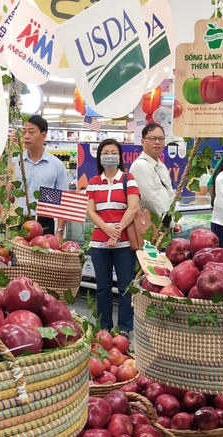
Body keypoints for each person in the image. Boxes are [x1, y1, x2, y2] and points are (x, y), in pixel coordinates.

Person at [86, 139, 140, 336]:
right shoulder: (93, 183)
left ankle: (125, 327)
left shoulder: (128, 178)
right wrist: (107, 229)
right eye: (105, 152)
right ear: (100, 156)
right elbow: (91, 212)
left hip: (125, 243)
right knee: (103, 287)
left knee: (126, 287)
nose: (109, 156)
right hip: (99, 243)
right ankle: (104, 327)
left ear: (119, 156)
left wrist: (116, 230)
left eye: (113, 152)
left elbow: (132, 208)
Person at [13, 115, 69, 241]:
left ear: (43, 135)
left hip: (44, 221)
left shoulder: (56, 165)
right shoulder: (14, 162)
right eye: (24, 132)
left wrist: (59, 232)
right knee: (17, 259)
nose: (26, 136)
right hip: (17, 221)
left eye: (31, 132)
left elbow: (63, 199)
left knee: (42, 258)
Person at [129, 124, 182, 236]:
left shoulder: (161, 165)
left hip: (164, 224)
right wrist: (171, 222)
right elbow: (150, 198)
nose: (157, 142)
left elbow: (170, 193)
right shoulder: (140, 165)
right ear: (143, 141)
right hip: (151, 226)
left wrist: (176, 220)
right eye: (152, 138)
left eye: (161, 138)